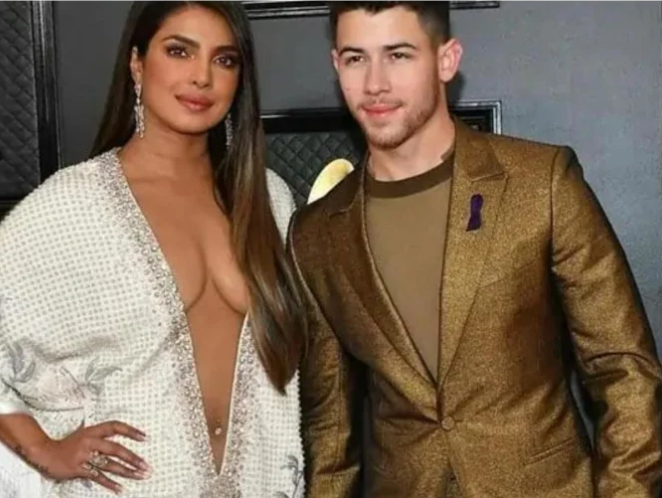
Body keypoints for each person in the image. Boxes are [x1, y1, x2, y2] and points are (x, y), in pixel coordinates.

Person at [288, 2, 662, 497]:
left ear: (446, 60)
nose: (375, 83)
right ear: (337, 65)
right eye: (357, 58)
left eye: (398, 55)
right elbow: (330, 433)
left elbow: (624, 370)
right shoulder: (315, 234)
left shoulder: (541, 183)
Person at [0, 2, 306, 497]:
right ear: (137, 63)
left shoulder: (268, 198)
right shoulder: (76, 203)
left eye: (224, 59)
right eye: (179, 51)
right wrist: (42, 449)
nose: (202, 76)